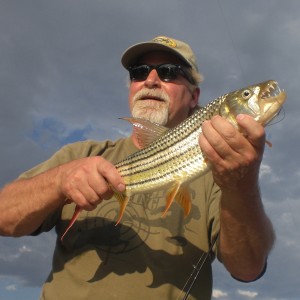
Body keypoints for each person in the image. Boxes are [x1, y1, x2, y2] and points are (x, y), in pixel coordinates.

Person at [0, 36, 275, 300]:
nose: (151, 80)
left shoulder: (223, 175)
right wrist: (60, 180)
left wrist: (242, 183)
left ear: (194, 96)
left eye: (168, 72)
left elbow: (248, 268)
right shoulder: (81, 154)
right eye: (139, 72)